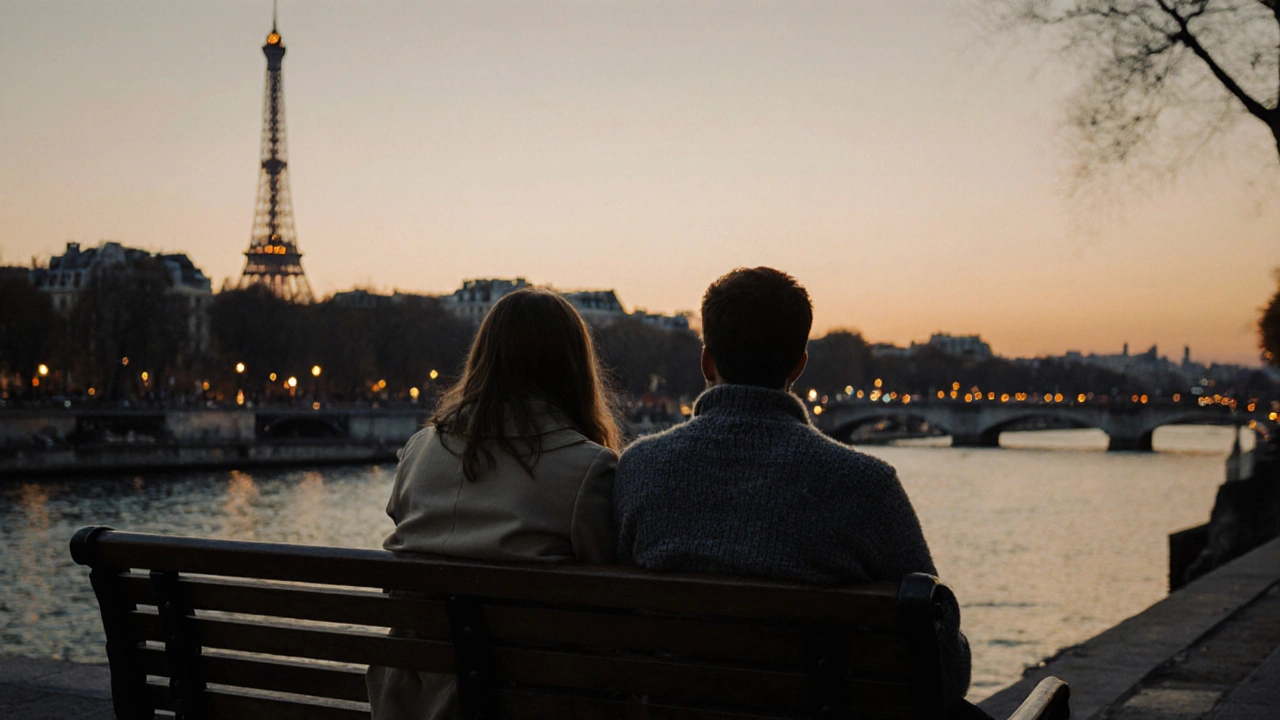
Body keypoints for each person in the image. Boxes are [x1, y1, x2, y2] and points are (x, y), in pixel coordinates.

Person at [614, 267, 984, 717]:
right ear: (799, 365)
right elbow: (942, 666)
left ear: (707, 362)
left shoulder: (638, 469)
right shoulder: (864, 485)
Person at [366, 288, 621, 720]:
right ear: (574, 368)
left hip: (410, 703)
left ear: (482, 358)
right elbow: (606, 610)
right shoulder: (589, 469)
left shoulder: (419, 451)